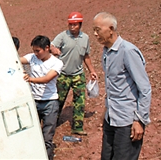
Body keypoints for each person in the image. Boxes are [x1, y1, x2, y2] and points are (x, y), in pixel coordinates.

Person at [93, 12, 151, 160]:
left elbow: (144, 88)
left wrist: (139, 120)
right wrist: (106, 112)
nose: (95, 34)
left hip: (127, 121)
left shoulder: (128, 51)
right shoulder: (106, 52)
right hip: (111, 118)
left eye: (98, 30)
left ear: (111, 29)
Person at [50, 11, 97, 135]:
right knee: (58, 100)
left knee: (80, 101)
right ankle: (51, 124)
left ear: (80, 25)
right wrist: (54, 50)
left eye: (75, 25)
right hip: (63, 75)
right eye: (70, 25)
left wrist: (92, 71)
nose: (72, 27)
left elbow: (86, 56)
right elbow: (51, 45)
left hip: (78, 74)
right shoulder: (62, 36)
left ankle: (77, 127)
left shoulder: (85, 38)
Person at [20, 35, 63, 160]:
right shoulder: (32, 57)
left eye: (38, 51)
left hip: (50, 102)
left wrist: (30, 79)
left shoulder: (57, 63)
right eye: (34, 50)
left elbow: (47, 79)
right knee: (31, 134)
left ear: (47, 48)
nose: (35, 53)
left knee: (47, 137)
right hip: (34, 101)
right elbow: (17, 60)